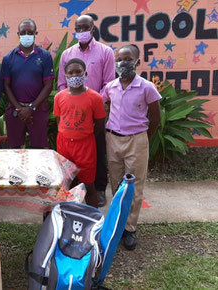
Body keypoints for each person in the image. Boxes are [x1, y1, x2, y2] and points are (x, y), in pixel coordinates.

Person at [102, 44, 161, 250]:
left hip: (136, 140)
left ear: (137, 62)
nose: (122, 63)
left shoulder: (147, 87)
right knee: (116, 184)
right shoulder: (110, 87)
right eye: (119, 59)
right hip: (113, 140)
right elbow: (100, 106)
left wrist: (142, 139)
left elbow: (155, 119)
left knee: (133, 187)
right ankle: (116, 226)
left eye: (127, 59)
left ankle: (130, 229)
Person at [58, 15, 115, 207]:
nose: (82, 31)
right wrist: (72, 103)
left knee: (97, 152)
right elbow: (61, 83)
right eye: (78, 28)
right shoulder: (67, 53)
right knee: (70, 161)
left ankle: (98, 189)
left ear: (92, 28)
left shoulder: (105, 52)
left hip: (94, 110)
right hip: (72, 112)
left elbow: (108, 83)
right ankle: (73, 189)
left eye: (85, 27)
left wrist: (91, 103)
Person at [54, 58, 106, 208]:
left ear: (85, 74)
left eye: (78, 72)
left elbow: (99, 125)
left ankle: (93, 221)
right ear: (65, 76)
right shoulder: (59, 97)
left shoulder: (95, 98)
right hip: (64, 145)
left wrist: (83, 136)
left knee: (89, 186)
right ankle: (66, 217)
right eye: (70, 73)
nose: (74, 75)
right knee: (65, 186)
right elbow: (59, 120)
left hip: (85, 147)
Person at [1, 19, 54, 149]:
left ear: (36, 33)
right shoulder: (8, 58)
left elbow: (49, 84)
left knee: (39, 149)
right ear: (18, 34)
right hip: (15, 111)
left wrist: (31, 108)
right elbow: (6, 85)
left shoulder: (45, 56)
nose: (26, 35)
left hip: (38, 110)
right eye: (23, 32)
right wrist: (19, 109)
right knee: (15, 149)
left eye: (30, 32)